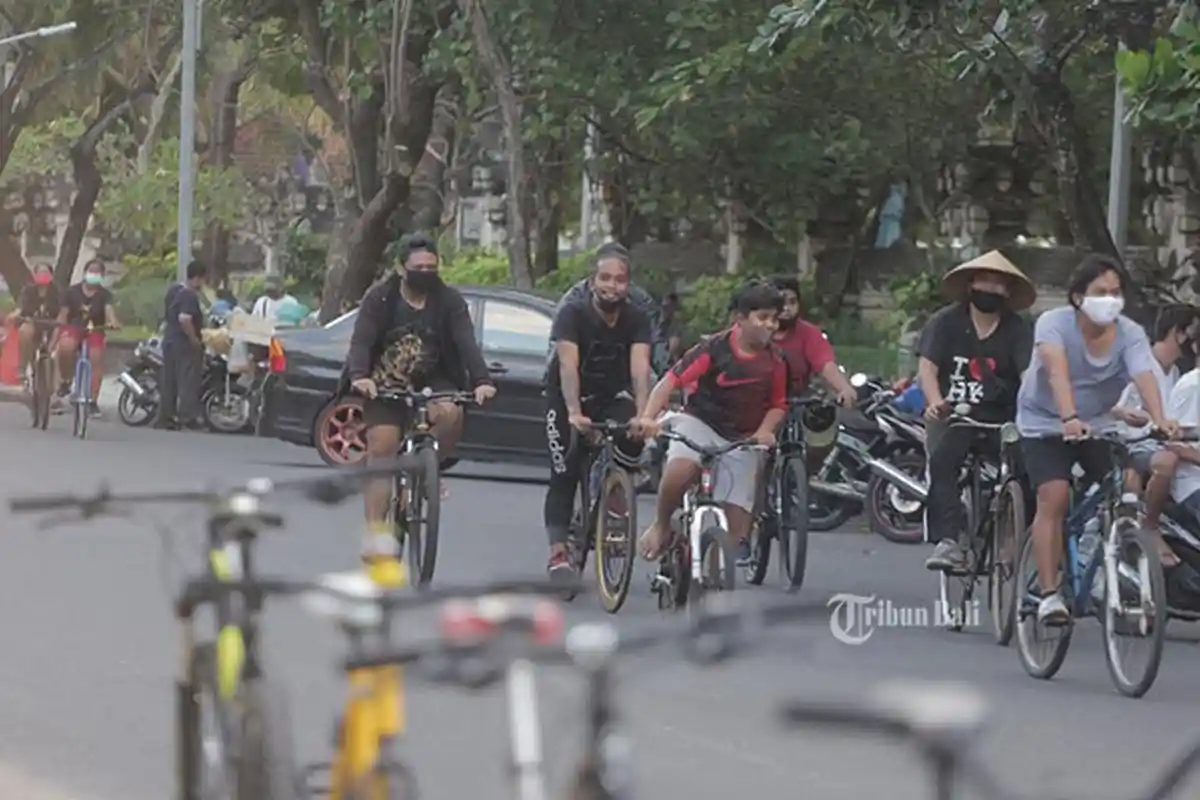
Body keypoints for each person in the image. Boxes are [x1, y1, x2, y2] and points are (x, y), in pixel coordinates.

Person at [1017, 254, 1180, 625]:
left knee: (1123, 487)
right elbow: (1057, 373)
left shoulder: (1130, 333)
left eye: (1116, 292)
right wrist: (1069, 417)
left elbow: (1144, 374)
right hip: (1044, 422)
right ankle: (1048, 594)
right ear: (1078, 297)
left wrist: (1160, 418)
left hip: (1099, 425)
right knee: (1054, 496)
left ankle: (1109, 567)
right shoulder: (1053, 324)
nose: (1110, 300)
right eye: (1100, 292)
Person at [346, 233, 496, 579]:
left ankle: (426, 471)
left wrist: (482, 381)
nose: (426, 272)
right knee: (382, 448)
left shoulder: (449, 301)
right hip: (385, 380)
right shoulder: (380, 298)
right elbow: (362, 340)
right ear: (401, 268)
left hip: (436, 378)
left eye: (432, 267)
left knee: (452, 413)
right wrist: (360, 376)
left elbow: (466, 343)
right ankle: (375, 535)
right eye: (418, 267)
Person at [636, 283, 789, 564]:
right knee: (681, 470)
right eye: (763, 317)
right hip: (700, 422)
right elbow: (670, 382)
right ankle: (661, 525)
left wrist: (765, 430)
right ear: (740, 319)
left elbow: (778, 404)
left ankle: (711, 572)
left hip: (744, 436)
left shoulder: (776, 361)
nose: (770, 325)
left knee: (737, 532)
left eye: (774, 319)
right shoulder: (713, 349)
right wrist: (647, 417)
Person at [918, 251, 1035, 571]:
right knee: (943, 463)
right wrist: (934, 402)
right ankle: (949, 541)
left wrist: (1031, 410)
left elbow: (1028, 377)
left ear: (1008, 292)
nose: (990, 288)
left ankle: (1013, 542)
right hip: (955, 415)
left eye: (998, 284)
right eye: (985, 281)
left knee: (1028, 469)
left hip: (1002, 417)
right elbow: (927, 367)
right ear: (971, 284)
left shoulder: (1017, 328)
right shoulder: (945, 322)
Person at [543, 244, 655, 579]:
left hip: (610, 395)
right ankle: (559, 554)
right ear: (593, 281)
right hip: (567, 396)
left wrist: (643, 413)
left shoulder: (637, 318)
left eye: (620, 280)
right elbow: (567, 366)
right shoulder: (572, 313)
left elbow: (640, 369)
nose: (612, 286)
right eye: (605, 278)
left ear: (628, 285)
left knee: (634, 435)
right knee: (564, 471)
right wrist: (575, 413)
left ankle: (615, 495)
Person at [1111, 305, 1196, 566]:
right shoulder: (1137, 362)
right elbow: (1104, 403)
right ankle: (1148, 526)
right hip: (1125, 440)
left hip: (1155, 440)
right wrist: (1125, 413)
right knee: (1163, 462)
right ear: (1179, 333)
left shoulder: (1174, 373)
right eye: (1195, 332)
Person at [769, 275, 857, 405]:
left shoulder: (808, 332)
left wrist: (844, 388)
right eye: (781, 303)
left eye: (792, 302)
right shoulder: (755, 331)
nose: (787, 308)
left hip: (796, 405)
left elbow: (826, 364)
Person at [53, 258, 121, 417]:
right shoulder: (71, 292)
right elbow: (63, 314)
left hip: (95, 329)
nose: (94, 274)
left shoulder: (105, 295)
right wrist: (59, 326)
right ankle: (65, 380)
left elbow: (109, 311)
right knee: (65, 347)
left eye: (98, 271)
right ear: (85, 273)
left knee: (96, 358)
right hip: (74, 327)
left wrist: (114, 323)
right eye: (91, 270)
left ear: (103, 275)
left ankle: (92, 400)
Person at [157, 261, 209, 430]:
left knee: (169, 380)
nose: (203, 284)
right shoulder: (189, 295)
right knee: (187, 380)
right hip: (183, 343)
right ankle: (187, 417)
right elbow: (185, 319)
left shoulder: (174, 290)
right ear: (198, 278)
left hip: (170, 341)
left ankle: (166, 417)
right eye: (203, 280)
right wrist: (194, 339)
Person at [7, 263, 61, 388]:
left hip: (51, 325)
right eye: (40, 272)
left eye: (46, 272)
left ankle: (54, 390)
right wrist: (14, 315)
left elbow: (61, 311)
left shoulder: (56, 291)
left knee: (58, 336)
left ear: (51, 275)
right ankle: (22, 366)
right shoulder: (28, 290)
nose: (43, 275)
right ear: (35, 275)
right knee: (25, 331)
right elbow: (20, 308)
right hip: (32, 323)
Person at [652, 291, 685, 374]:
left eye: (669, 307)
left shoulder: (675, 324)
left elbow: (674, 345)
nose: (666, 311)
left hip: (664, 355)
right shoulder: (653, 317)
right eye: (664, 307)